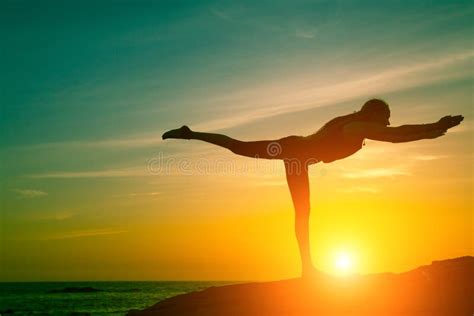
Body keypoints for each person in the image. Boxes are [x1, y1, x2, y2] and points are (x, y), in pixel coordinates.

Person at [161, 99, 463, 278]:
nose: (388, 122)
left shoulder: (355, 124)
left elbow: (397, 134)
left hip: (298, 158)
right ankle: (190, 134)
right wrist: (433, 127)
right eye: (385, 117)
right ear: (373, 114)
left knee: (303, 212)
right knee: (240, 148)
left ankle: (308, 269)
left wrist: (435, 130)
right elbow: (396, 136)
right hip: (294, 150)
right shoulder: (356, 127)